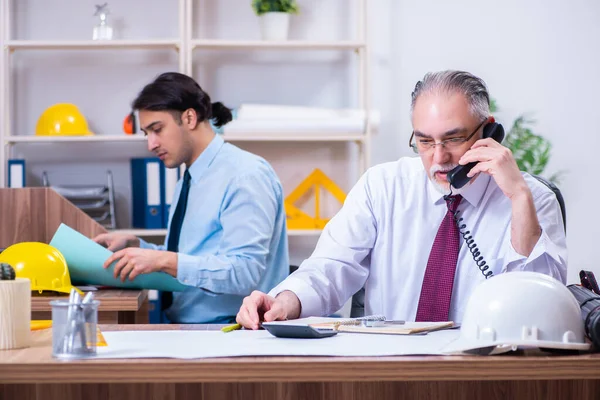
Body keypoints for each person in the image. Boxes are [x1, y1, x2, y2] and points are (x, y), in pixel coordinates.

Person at [236, 70, 567, 330]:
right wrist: (284, 301)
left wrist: (518, 196)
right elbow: (329, 268)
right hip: (392, 365)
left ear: (489, 132)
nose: (439, 157)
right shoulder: (382, 187)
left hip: (487, 369)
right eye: (424, 141)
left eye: (453, 139)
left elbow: (539, 305)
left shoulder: (533, 199)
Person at [94, 72, 289, 324]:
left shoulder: (244, 175)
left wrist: (164, 259)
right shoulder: (190, 179)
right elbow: (194, 257)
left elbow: (245, 272)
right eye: (147, 134)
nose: (151, 144)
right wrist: (140, 248)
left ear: (189, 117)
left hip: (232, 330)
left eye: (157, 129)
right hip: (189, 328)